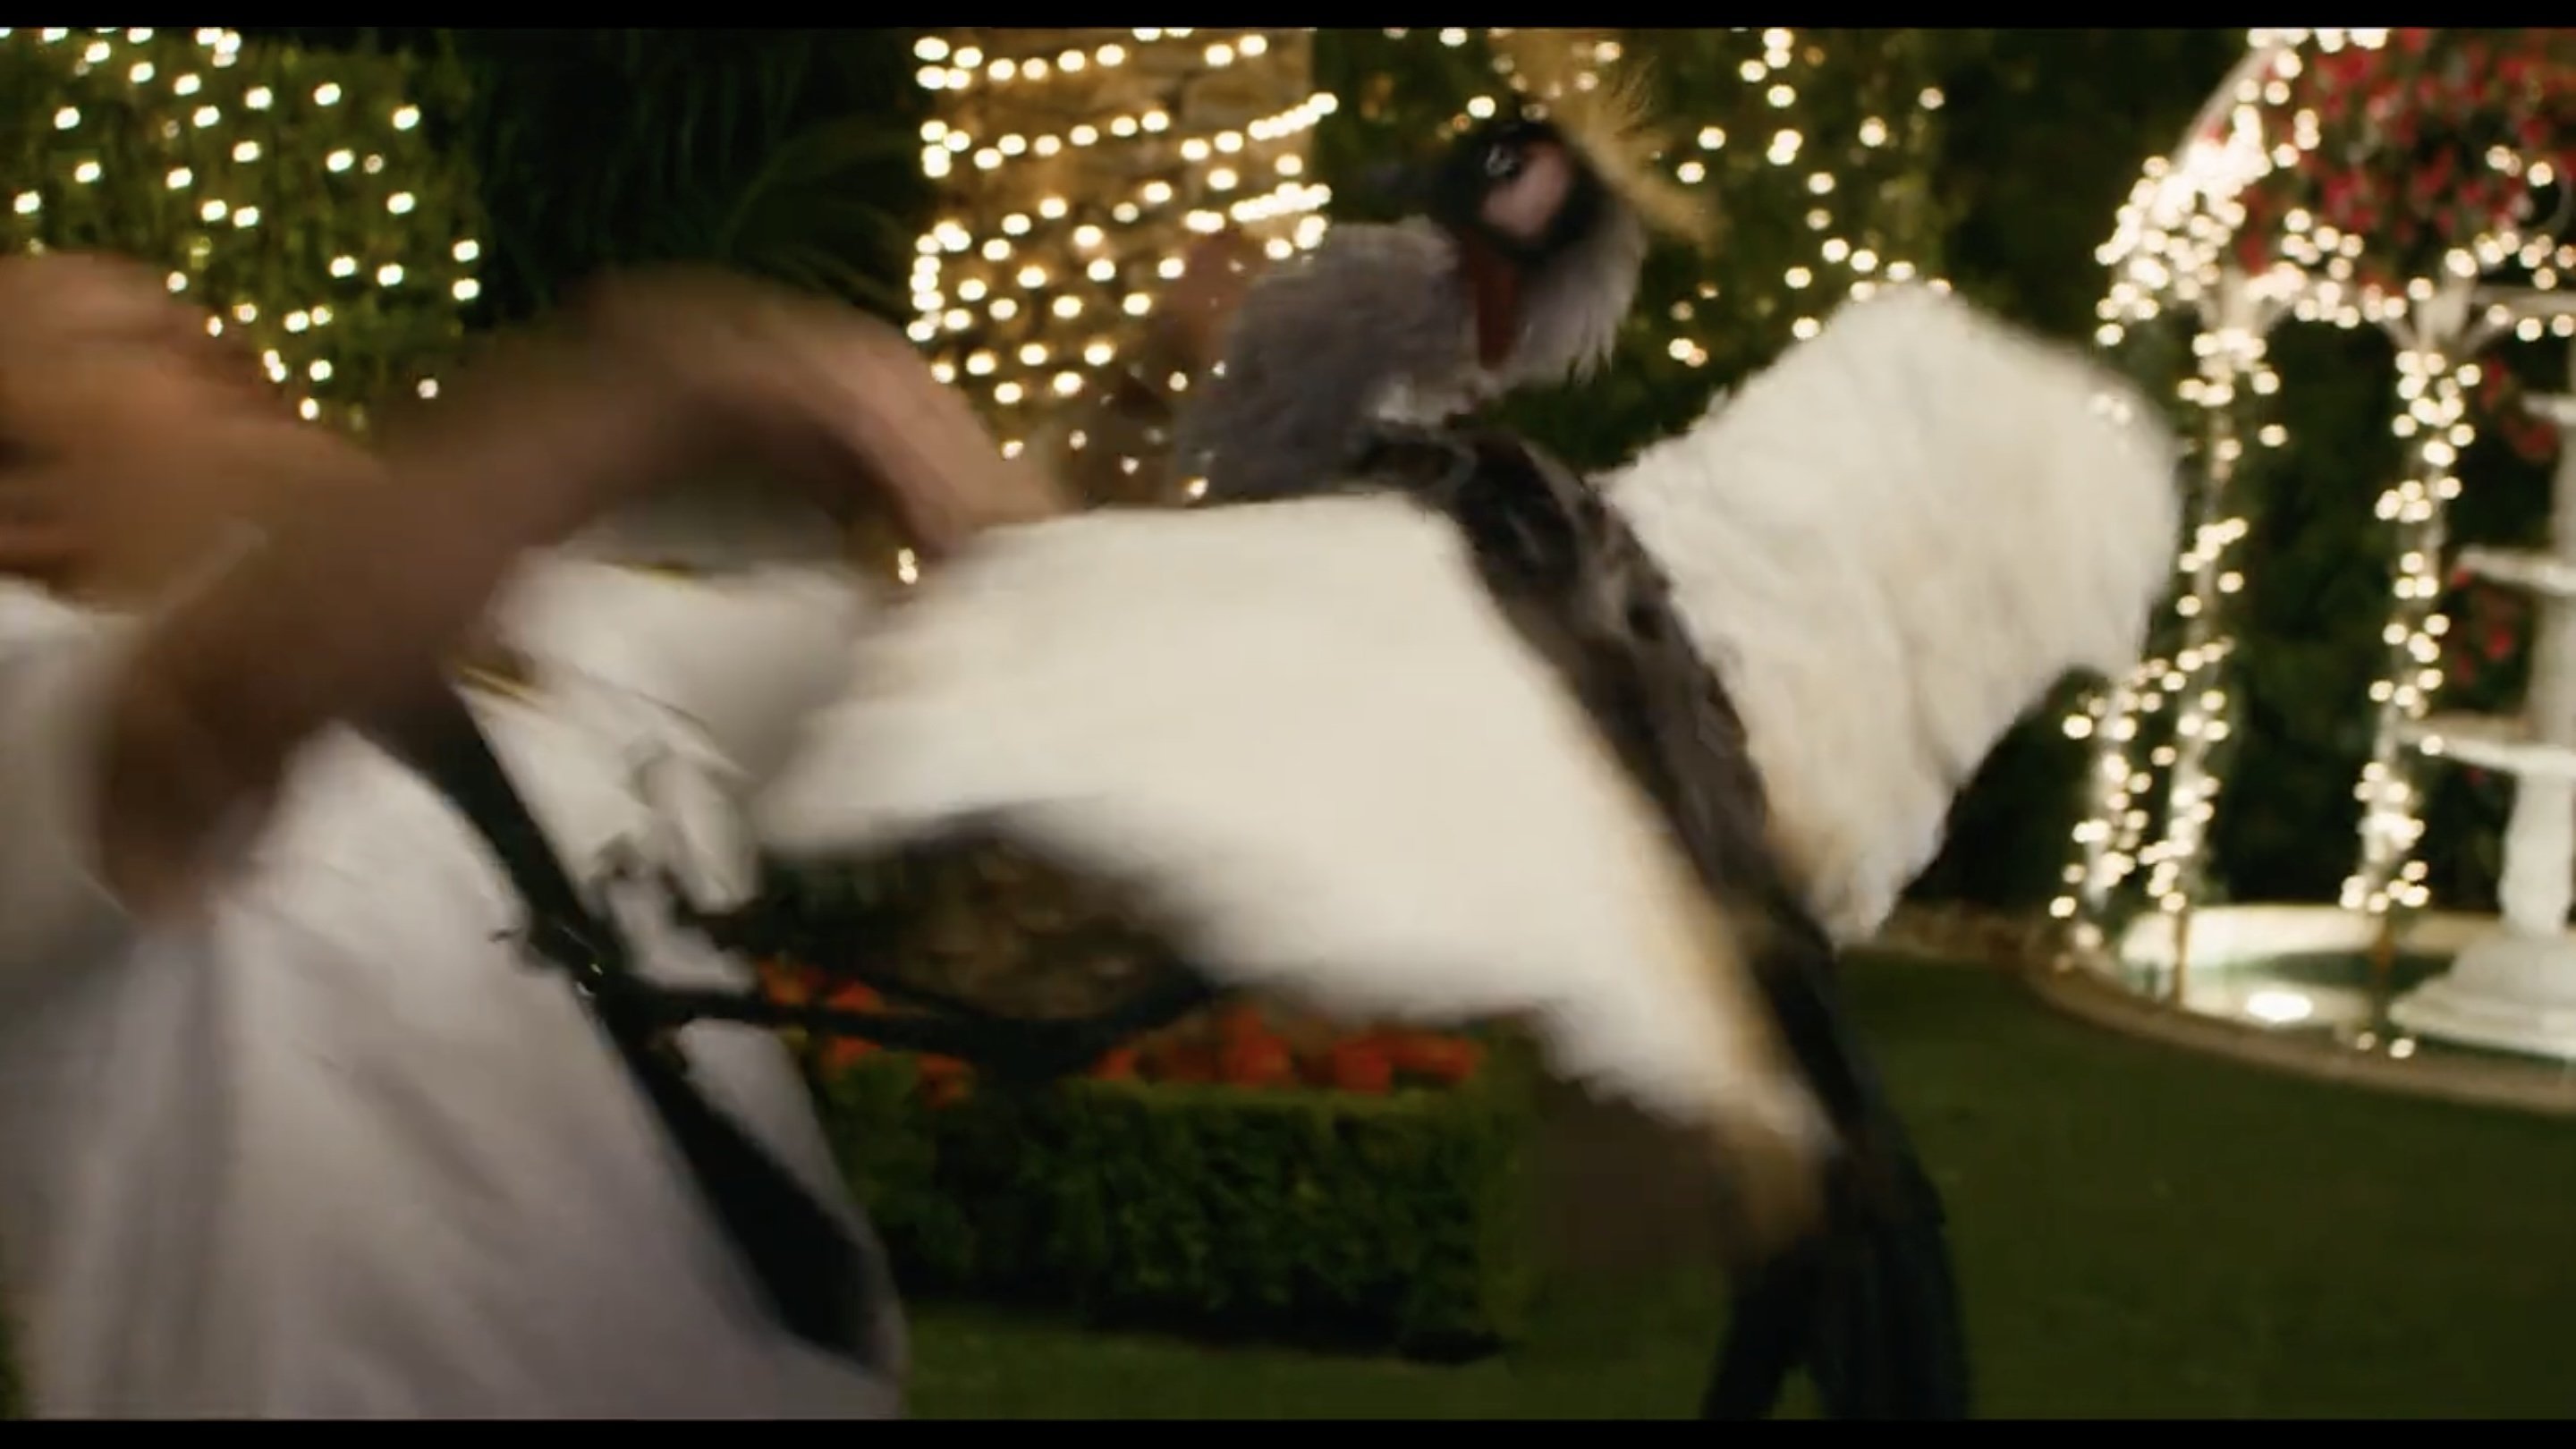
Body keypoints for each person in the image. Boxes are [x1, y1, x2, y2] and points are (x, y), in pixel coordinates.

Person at [0, 251, 1060, 1418]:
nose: (225, 350)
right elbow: (226, 692)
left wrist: (1155, 385)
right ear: (22, 503)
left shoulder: (561, 625)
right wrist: (662, 383)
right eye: (135, 342)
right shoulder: (30, 692)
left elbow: (1008, 628)